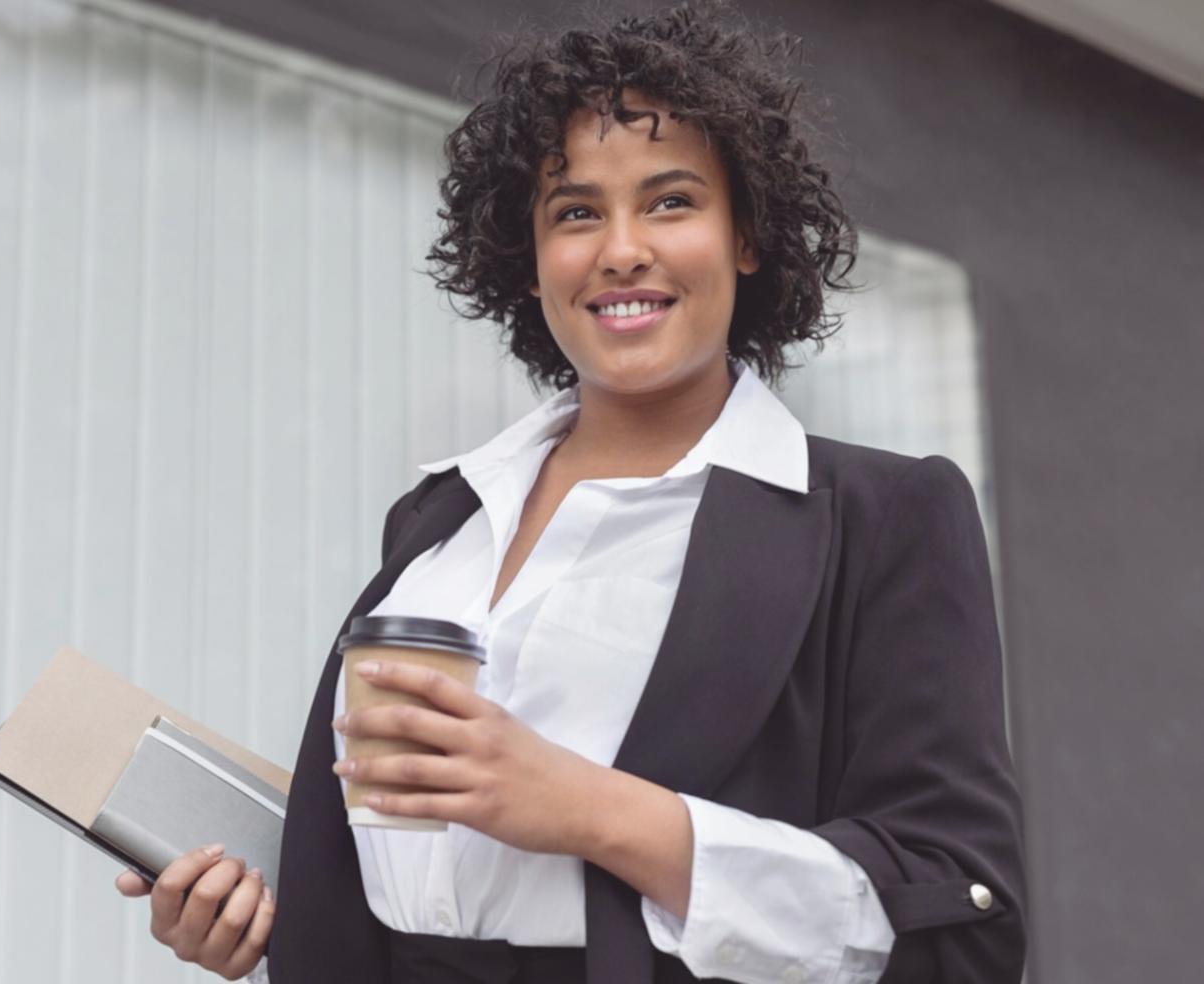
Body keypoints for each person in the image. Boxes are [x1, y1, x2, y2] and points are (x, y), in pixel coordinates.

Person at [115, 3, 1027, 982]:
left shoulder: (879, 520)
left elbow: (959, 926)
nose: (620, 249)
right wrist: (270, 912)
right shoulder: (439, 522)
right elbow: (415, 879)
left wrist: (590, 808)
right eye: (577, 212)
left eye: (671, 202)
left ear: (748, 235)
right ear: (531, 252)